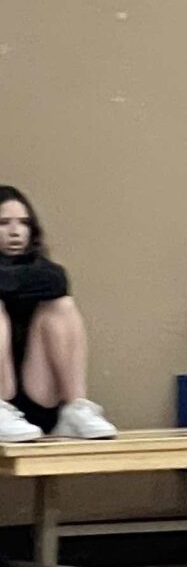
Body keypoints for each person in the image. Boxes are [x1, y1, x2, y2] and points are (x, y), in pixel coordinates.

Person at [0, 186, 115, 442]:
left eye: (24, 223)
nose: (15, 232)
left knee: (60, 305)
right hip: (4, 395)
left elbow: (56, 281)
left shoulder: (42, 269)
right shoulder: (36, 275)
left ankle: (76, 408)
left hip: (37, 397)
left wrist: (10, 282)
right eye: (3, 223)